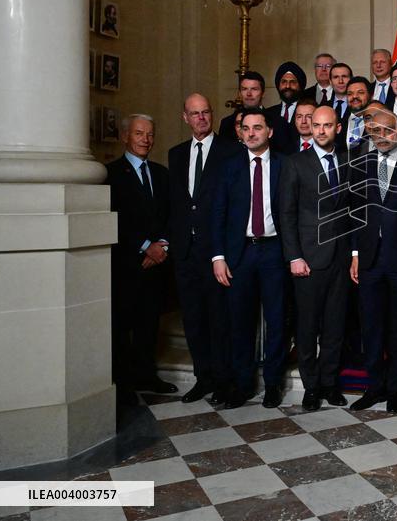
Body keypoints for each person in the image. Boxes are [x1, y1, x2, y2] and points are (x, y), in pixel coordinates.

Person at [211, 109, 288, 409]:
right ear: (240, 132)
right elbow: (217, 214)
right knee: (239, 322)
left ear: (270, 131)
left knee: (276, 321)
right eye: (246, 128)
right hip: (239, 253)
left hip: (273, 250)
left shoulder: (285, 165)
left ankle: (272, 385)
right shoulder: (228, 168)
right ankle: (242, 385)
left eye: (258, 127)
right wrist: (218, 256)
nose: (252, 133)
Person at [278, 105, 352, 411]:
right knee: (307, 326)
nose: (321, 130)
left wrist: (354, 254)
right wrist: (294, 255)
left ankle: (329, 383)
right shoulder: (296, 164)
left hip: (341, 258)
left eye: (327, 125)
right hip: (308, 258)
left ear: (338, 127)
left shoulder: (349, 161)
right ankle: (311, 386)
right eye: (316, 125)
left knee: (335, 325)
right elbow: (287, 214)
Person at [168, 95, 239, 404]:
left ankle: (224, 379)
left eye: (205, 113)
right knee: (193, 318)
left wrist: (223, 251)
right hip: (186, 250)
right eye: (194, 114)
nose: (201, 118)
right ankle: (203, 377)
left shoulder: (231, 151)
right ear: (185, 118)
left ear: (212, 115)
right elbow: (178, 204)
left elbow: (235, 205)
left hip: (216, 251)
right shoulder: (176, 154)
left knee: (219, 318)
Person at [349, 109, 397, 414]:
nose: (380, 137)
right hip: (368, 258)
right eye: (374, 131)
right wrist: (354, 254)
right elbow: (353, 212)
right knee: (371, 325)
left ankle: (396, 389)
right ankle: (374, 386)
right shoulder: (361, 163)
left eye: (386, 131)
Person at [106, 114, 175, 405]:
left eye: (149, 134)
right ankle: (122, 384)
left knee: (149, 324)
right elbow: (114, 218)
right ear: (125, 137)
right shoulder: (109, 174)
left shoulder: (162, 174)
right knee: (122, 327)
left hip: (157, 264)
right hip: (127, 264)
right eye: (138, 133)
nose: (145, 139)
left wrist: (163, 247)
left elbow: (172, 215)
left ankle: (148, 375)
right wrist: (145, 246)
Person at [267, 61, 307, 155]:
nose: (288, 86)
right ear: (278, 85)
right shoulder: (269, 113)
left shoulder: (310, 112)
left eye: (292, 82)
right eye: (284, 82)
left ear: (300, 85)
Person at [217, 71, 266, 138]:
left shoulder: (276, 122)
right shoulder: (227, 123)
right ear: (239, 93)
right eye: (244, 89)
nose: (249, 94)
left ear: (263, 93)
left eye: (254, 89)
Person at [343, 76, 372, 151]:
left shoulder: (377, 123)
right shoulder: (339, 123)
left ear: (370, 95)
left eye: (360, 92)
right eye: (350, 94)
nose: (354, 96)